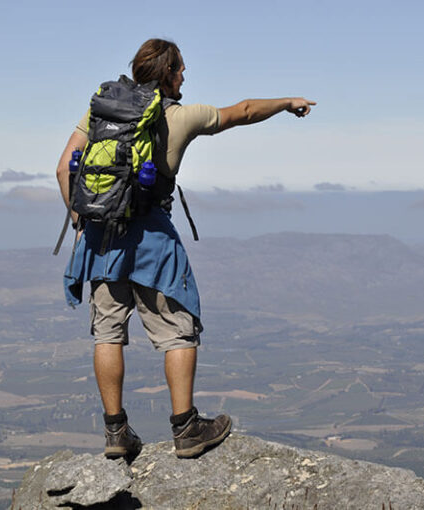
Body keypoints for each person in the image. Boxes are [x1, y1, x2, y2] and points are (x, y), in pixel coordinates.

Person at [55, 38, 315, 459]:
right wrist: (287, 103)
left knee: (107, 333)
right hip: (152, 239)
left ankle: (115, 433)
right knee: (177, 331)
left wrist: (80, 221)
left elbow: (62, 165)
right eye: (181, 71)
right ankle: (186, 428)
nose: (185, 77)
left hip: (101, 238)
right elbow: (242, 112)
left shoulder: (101, 108)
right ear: (168, 74)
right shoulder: (181, 116)